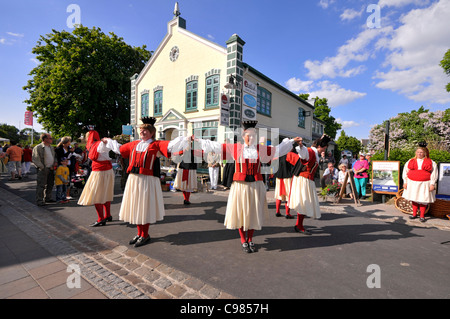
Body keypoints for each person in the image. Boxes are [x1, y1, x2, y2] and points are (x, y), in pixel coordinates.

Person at [197, 120, 302, 253]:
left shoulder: (260, 149)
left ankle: (251, 238)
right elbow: (216, 146)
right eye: (248, 135)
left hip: (256, 186)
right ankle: (243, 239)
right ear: (243, 136)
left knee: (252, 213)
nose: (251, 138)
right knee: (241, 213)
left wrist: (291, 141)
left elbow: (277, 150)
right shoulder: (235, 148)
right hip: (240, 186)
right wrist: (198, 140)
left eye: (253, 136)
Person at [118, 117, 188, 247]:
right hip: (134, 179)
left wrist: (184, 139)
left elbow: (170, 146)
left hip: (147, 180)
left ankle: (145, 234)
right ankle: (140, 233)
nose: (142, 132)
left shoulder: (155, 145)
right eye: (141, 130)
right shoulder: (134, 144)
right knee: (136, 207)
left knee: (144, 207)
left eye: (146, 131)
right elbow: (120, 149)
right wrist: (106, 142)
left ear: (151, 133)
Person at [286, 134, 331, 235]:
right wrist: (301, 146)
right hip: (304, 180)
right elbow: (304, 154)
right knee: (304, 203)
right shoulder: (311, 151)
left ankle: (299, 225)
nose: (323, 151)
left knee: (304, 203)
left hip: (307, 180)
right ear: (319, 146)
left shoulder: (314, 153)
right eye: (323, 148)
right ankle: (299, 226)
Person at [77, 129, 121, 227]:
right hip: (107, 171)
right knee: (106, 193)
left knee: (96, 194)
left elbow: (107, 145)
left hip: (99, 172)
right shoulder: (98, 144)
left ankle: (101, 219)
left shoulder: (99, 145)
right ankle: (108, 215)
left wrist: (108, 141)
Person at [402, 142, 438, 222]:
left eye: (421, 152)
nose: (419, 154)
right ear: (416, 152)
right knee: (414, 198)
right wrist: (405, 182)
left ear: (425, 153)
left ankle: (422, 215)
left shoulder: (431, 162)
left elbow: (434, 173)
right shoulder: (410, 161)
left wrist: (432, 184)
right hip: (412, 183)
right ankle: (414, 214)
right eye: (418, 152)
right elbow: (405, 171)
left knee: (423, 199)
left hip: (424, 183)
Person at [32, 133, 57, 206]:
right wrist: (42, 167)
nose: (51, 139)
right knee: (41, 185)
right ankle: (39, 200)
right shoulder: (38, 147)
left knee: (50, 184)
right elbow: (35, 159)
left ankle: (48, 198)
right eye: (50, 138)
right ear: (45, 139)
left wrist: (55, 163)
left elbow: (54, 156)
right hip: (43, 169)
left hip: (51, 168)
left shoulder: (51, 147)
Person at [273, 151, 294, 218]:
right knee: (288, 195)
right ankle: (287, 213)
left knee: (278, 194)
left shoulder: (278, 154)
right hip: (287, 176)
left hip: (279, 176)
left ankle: (277, 211)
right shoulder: (289, 154)